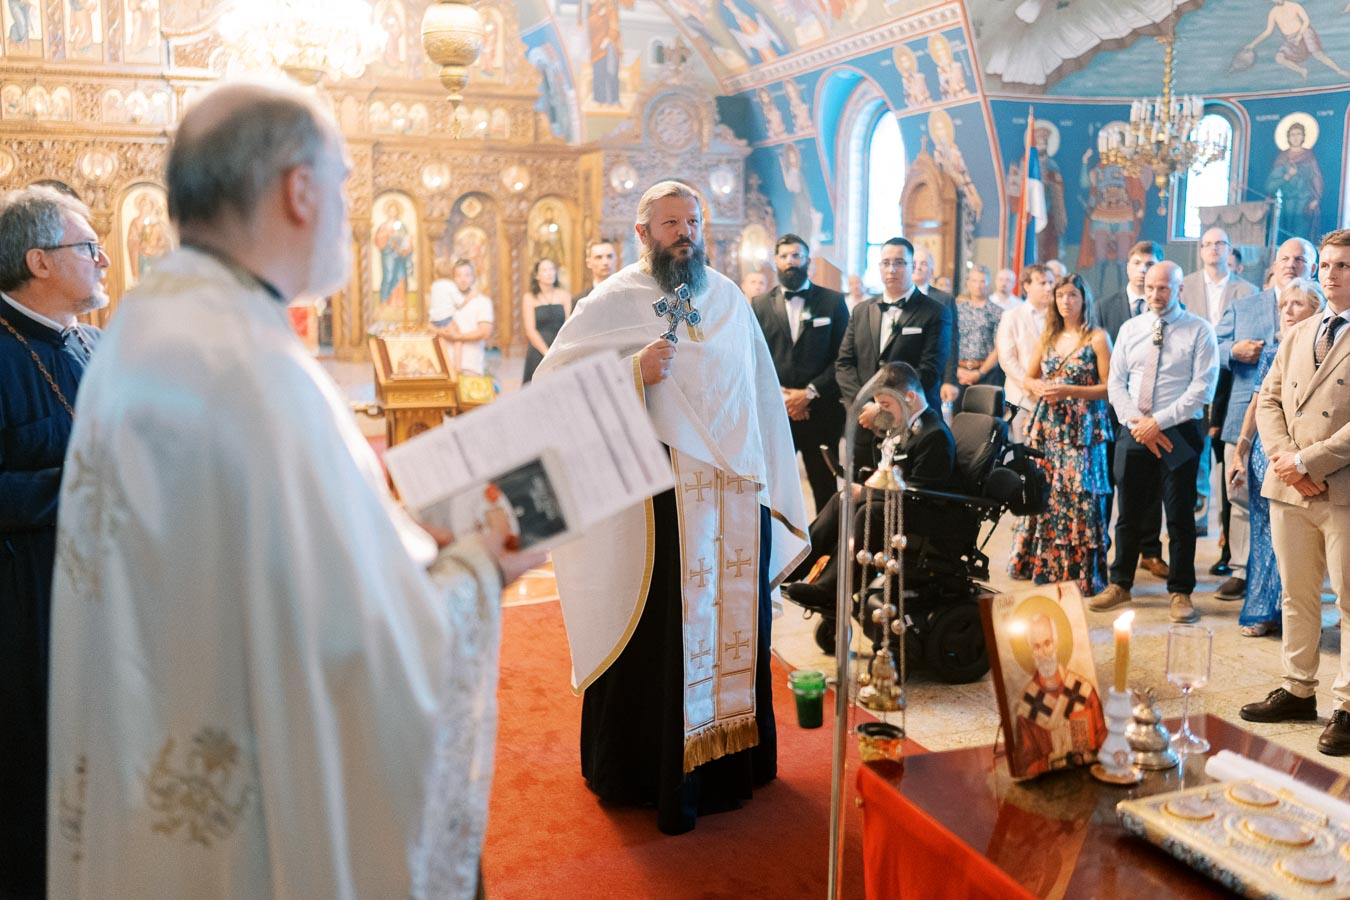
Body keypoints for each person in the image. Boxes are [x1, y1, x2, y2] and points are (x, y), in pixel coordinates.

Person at [45, 81, 543, 899]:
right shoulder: (254, 368)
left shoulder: (150, 322)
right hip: (251, 818)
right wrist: (482, 569)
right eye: (343, 182)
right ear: (299, 190)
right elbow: (364, 644)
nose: (350, 209)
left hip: (165, 746)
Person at [534, 180, 808, 834]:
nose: (683, 232)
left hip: (733, 500)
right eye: (669, 223)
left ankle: (733, 763)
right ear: (642, 233)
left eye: (691, 220)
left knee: (734, 633)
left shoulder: (731, 300)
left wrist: (766, 476)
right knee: (664, 639)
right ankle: (648, 770)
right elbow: (553, 393)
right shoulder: (613, 303)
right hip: (658, 511)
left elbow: (756, 395)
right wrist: (631, 373)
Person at [0, 184, 108, 899]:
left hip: (107, 592)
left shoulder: (99, 342)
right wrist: (83, 487)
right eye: (87, 246)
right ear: (38, 260)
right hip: (26, 600)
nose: (103, 258)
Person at [1240, 230, 1350, 755]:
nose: (1331, 274)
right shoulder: (1300, 331)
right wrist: (1287, 462)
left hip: (1343, 488)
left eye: (1344, 265)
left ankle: (1348, 705)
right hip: (1291, 489)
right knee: (1296, 593)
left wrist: (1308, 461)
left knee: (1349, 603)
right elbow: (1270, 400)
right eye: (1326, 265)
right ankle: (1297, 688)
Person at [1088, 262, 1219, 623]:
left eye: (1163, 288)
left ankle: (1180, 592)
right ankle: (1120, 583)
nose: (1156, 295)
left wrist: (1157, 423)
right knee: (1128, 512)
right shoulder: (1131, 329)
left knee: (1179, 515)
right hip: (1134, 428)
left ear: (1179, 290)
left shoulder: (1199, 330)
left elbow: (1202, 388)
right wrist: (1138, 422)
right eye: (1150, 288)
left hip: (1179, 430)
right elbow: (1116, 383)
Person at [782, 361, 955, 612]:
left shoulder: (933, 435)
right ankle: (795, 563)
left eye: (885, 405)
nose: (881, 411)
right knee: (842, 498)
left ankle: (830, 589)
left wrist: (865, 492)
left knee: (868, 511)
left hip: (924, 513)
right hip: (900, 502)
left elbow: (918, 494)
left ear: (909, 397)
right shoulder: (903, 425)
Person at [1213, 237, 1316, 601]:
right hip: (1245, 415)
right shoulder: (1245, 306)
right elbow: (1212, 346)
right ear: (1273, 264)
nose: (1291, 264)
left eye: (1300, 259)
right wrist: (1233, 350)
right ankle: (1242, 571)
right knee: (1240, 498)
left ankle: (1287, 582)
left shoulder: (1321, 313)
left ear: (1312, 268)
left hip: (1301, 431)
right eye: (1285, 258)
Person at [1231, 278, 1325, 637]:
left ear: (1315, 311)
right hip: (1268, 454)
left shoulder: (1331, 350)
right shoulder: (1272, 352)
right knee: (1264, 537)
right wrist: (1241, 451)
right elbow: (1258, 404)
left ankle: (1297, 616)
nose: (1287, 311)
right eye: (1284, 304)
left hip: (1311, 455)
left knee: (1302, 542)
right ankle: (1260, 611)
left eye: (1297, 304)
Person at [1009, 273, 1112, 596]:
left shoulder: (1097, 337)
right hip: (1049, 426)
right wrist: (1036, 385)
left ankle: (1081, 573)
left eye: (1072, 296)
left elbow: (1108, 389)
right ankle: (1044, 566)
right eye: (1061, 296)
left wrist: (1069, 389)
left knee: (1081, 494)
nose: (1066, 302)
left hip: (1082, 428)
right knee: (1047, 493)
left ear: (1084, 300)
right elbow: (1029, 377)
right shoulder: (1048, 336)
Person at [836, 237, 952, 474]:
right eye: (886, 263)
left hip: (913, 424)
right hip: (865, 422)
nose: (892, 269)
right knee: (860, 492)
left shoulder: (935, 312)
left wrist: (886, 407)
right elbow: (845, 364)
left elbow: (929, 371)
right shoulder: (861, 310)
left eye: (900, 263)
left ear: (912, 266)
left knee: (903, 500)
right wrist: (867, 405)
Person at [750, 233, 849, 513]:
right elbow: (754, 357)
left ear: (808, 262)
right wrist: (784, 398)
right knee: (773, 487)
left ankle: (826, 553)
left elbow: (842, 357)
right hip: (776, 412)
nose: (790, 262)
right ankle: (778, 550)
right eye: (784, 256)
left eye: (796, 256)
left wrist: (808, 394)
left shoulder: (832, 302)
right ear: (775, 261)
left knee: (825, 488)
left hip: (822, 411)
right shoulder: (759, 305)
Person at [1097, 241, 1169, 579]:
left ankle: (1150, 551)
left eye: (1149, 263)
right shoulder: (1105, 306)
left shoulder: (1167, 308)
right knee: (1116, 484)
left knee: (1152, 486)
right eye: (1137, 262)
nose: (1142, 269)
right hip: (1113, 414)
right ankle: (1108, 547)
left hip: (1154, 417)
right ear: (1128, 266)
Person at [1183, 227, 1256, 540]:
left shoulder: (1249, 291)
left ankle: (1229, 530)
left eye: (1220, 244)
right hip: (1191, 382)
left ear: (1230, 251)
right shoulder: (1183, 286)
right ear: (1200, 250)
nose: (1214, 249)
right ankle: (1196, 519)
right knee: (1195, 456)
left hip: (1233, 383)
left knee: (1230, 457)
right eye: (1208, 244)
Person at [1013, 612, 1106, 779]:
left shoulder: (1084, 691)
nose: (1043, 652)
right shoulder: (1027, 707)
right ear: (1032, 652)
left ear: (1055, 644)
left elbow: (1104, 743)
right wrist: (1052, 762)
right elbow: (1025, 767)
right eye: (1036, 646)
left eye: (1047, 643)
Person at [996, 263, 1053, 443]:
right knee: (1025, 456)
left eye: (1051, 282)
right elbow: (1007, 359)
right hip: (1023, 397)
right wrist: (1031, 385)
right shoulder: (1012, 316)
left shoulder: (1058, 316)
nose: (1049, 287)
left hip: (1054, 396)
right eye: (1042, 283)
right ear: (1027, 286)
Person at [912, 245, 960, 409]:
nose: (918, 266)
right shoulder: (899, 298)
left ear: (931, 272)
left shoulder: (943, 300)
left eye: (923, 263)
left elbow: (951, 342)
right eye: (914, 262)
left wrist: (949, 380)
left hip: (934, 375)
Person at [1264, 121, 1325, 244]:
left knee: (1301, 237)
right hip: (1285, 204)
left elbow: (1316, 179)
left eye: (1298, 134)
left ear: (1303, 136)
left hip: (1304, 204)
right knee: (1282, 238)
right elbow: (1270, 186)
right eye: (1292, 134)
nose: (1295, 137)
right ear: (1288, 137)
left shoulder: (1309, 156)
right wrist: (1287, 176)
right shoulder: (1282, 158)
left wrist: (1316, 199)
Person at [431, 258, 493, 376]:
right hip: (445, 365)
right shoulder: (444, 300)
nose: (463, 280)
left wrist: (458, 337)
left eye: (467, 275)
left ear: (473, 277)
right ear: (452, 278)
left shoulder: (482, 301)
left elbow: (485, 332)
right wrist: (441, 332)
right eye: (458, 275)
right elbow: (429, 325)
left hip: (470, 365)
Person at [953, 265, 1004, 402]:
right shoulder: (957, 309)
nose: (978, 285)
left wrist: (980, 373)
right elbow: (950, 342)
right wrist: (956, 370)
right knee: (959, 418)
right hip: (959, 371)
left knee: (985, 418)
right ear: (968, 283)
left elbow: (999, 348)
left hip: (987, 373)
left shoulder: (997, 312)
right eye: (974, 281)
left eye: (982, 281)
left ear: (988, 284)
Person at [520, 257, 571, 384]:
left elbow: (569, 324)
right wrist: (547, 353)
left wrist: (559, 351)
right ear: (537, 275)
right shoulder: (529, 297)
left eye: (552, 269)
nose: (549, 273)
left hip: (560, 347)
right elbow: (530, 330)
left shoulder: (564, 295)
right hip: (538, 350)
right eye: (545, 270)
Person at [578, 236, 617, 302]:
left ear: (616, 259)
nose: (605, 262)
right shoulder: (581, 300)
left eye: (609, 256)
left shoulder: (628, 294)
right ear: (588, 263)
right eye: (599, 257)